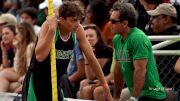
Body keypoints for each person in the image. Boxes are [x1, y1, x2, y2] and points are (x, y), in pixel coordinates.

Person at [22, 1, 112, 101]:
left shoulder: (78, 30)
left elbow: (91, 58)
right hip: (37, 82)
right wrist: (51, 31)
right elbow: (40, 56)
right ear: (62, 19)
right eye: (73, 20)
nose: (77, 24)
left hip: (55, 82)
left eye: (79, 20)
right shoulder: (48, 26)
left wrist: (105, 86)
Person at [110, 2, 166, 101]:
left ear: (125, 23)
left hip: (151, 95)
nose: (110, 24)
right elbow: (118, 71)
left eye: (113, 21)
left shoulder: (138, 38)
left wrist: (134, 98)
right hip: (138, 94)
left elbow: (140, 70)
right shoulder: (117, 39)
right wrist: (116, 97)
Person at [147, 3, 180, 91]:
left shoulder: (172, 39)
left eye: (154, 17)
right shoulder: (158, 37)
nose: (151, 20)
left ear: (166, 19)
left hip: (166, 88)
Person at [77, 24, 113, 100]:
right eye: (86, 36)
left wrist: (86, 58)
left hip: (110, 79)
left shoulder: (105, 50)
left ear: (98, 37)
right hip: (99, 79)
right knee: (83, 83)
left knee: (87, 89)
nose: (88, 39)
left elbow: (92, 76)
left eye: (91, 36)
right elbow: (90, 77)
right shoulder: (90, 49)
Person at [0, 22, 36, 92]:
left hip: (30, 78)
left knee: (3, 74)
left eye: (17, 33)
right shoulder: (20, 46)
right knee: (8, 81)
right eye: (3, 34)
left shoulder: (30, 46)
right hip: (23, 75)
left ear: (24, 33)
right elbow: (16, 67)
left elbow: (31, 68)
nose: (15, 36)